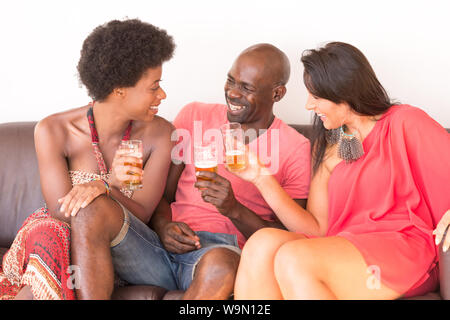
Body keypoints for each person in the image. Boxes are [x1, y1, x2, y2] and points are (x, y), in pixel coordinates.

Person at [231, 42, 450, 300]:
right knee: (261, 244)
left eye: (316, 96)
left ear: (344, 92)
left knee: (295, 258)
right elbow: (317, 230)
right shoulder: (328, 143)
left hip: (402, 249)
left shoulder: (405, 122)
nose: (308, 106)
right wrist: (260, 176)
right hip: (341, 247)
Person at [109, 43, 311, 300]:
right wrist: (163, 226)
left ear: (277, 94)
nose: (233, 93)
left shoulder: (295, 147)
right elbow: (162, 193)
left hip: (221, 253)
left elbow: (290, 238)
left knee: (220, 264)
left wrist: (233, 209)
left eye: (246, 88)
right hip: (161, 247)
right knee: (93, 210)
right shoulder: (195, 116)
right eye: (230, 81)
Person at [0, 19, 175, 300]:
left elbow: (141, 213)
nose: (162, 95)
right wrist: (109, 181)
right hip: (56, 240)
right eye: (154, 87)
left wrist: (106, 189)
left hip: (115, 246)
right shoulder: (54, 130)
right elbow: (61, 211)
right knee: (50, 231)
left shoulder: (160, 134)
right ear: (120, 90)